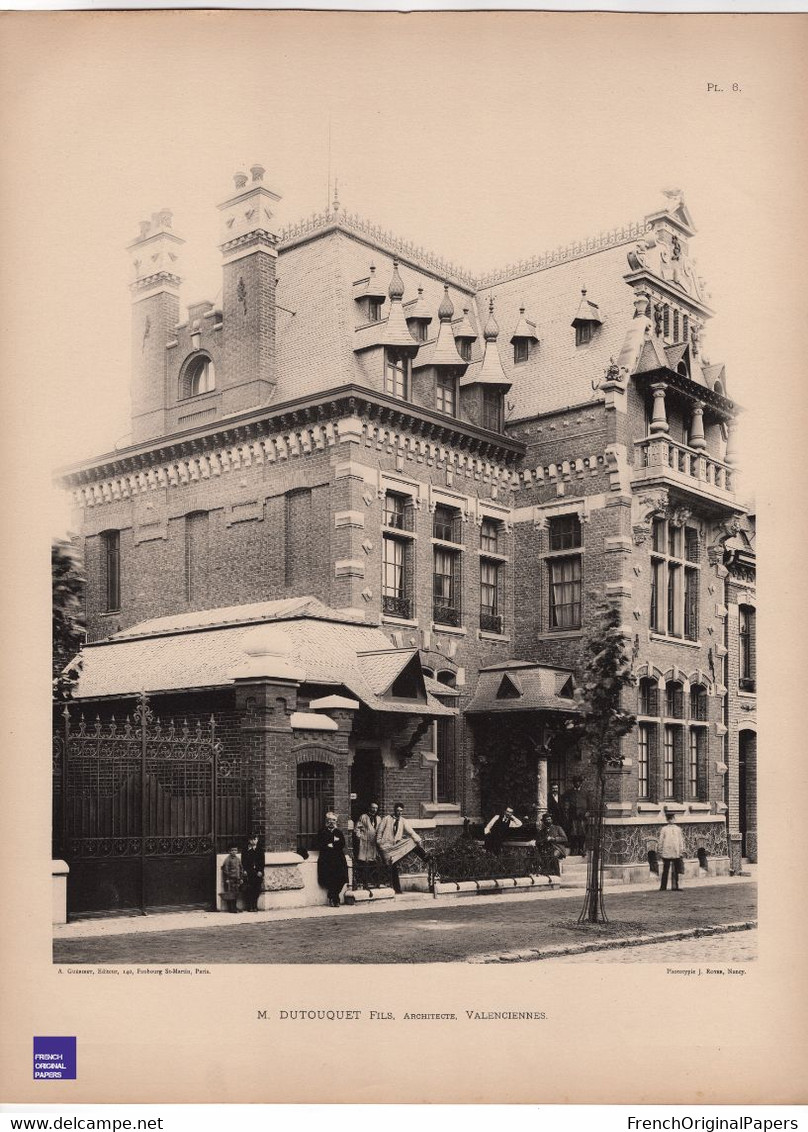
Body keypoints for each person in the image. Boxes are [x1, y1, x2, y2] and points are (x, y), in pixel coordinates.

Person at [377, 803, 428, 894]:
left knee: (412, 842)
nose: (399, 813)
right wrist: (379, 843)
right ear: (394, 810)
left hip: (396, 846)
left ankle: (427, 858)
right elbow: (379, 831)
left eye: (401, 811)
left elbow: (411, 832)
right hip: (386, 847)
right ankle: (395, 888)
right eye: (398, 811)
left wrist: (418, 840)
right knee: (392, 866)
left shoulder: (403, 821)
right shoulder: (386, 819)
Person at [316, 812, 350, 907]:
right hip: (326, 859)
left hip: (339, 859)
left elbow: (342, 843)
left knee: (342, 877)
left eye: (333, 820)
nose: (331, 822)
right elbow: (320, 844)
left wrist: (333, 844)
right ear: (326, 821)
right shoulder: (322, 832)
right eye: (329, 820)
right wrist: (330, 844)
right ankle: (335, 899)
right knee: (330, 878)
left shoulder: (338, 832)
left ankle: (332, 896)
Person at [354, 801, 381, 890]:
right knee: (365, 863)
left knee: (374, 862)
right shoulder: (363, 817)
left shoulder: (378, 818)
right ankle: (364, 883)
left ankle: (374, 882)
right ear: (369, 808)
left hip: (374, 844)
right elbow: (357, 828)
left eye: (376, 808)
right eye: (373, 808)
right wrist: (360, 837)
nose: (374, 810)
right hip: (365, 843)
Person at [535, 811, 569, 883]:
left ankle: (557, 876)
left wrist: (553, 839)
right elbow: (537, 842)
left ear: (552, 820)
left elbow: (564, 838)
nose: (548, 821)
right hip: (546, 849)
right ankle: (547, 875)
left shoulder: (557, 828)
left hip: (558, 848)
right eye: (546, 820)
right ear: (543, 821)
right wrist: (544, 840)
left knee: (553, 856)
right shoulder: (542, 831)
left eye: (549, 819)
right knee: (543, 857)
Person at [561, 775, 590, 856]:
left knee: (582, 833)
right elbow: (564, 802)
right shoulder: (568, 793)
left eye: (579, 782)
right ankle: (573, 849)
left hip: (582, 816)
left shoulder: (585, 793)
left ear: (581, 783)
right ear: (573, 783)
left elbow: (589, 803)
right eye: (575, 782)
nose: (577, 783)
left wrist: (588, 812)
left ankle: (581, 849)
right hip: (572, 816)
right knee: (573, 833)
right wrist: (566, 811)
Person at [657, 809, 685, 892]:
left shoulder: (678, 829)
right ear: (667, 820)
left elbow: (680, 840)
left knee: (676, 870)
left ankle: (675, 886)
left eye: (672, 818)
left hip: (676, 851)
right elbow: (661, 840)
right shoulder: (664, 829)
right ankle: (663, 886)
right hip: (667, 852)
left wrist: (681, 850)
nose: (671, 820)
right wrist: (660, 850)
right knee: (665, 870)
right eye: (669, 819)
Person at [241, 834, 265, 912]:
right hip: (249, 872)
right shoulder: (245, 850)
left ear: (257, 840)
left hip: (257, 872)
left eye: (255, 839)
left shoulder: (260, 850)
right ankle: (249, 905)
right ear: (249, 840)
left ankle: (255, 905)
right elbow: (243, 861)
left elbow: (262, 862)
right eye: (251, 840)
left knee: (257, 889)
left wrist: (260, 870)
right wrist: (244, 870)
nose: (253, 841)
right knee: (249, 889)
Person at [221, 845, 244, 913]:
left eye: (235, 850)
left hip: (237, 879)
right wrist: (227, 878)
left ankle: (235, 907)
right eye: (232, 850)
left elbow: (241, 868)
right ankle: (231, 908)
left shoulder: (238, 859)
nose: (234, 852)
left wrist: (241, 878)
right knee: (230, 893)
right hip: (230, 879)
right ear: (229, 851)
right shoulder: (227, 859)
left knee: (236, 893)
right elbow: (225, 870)